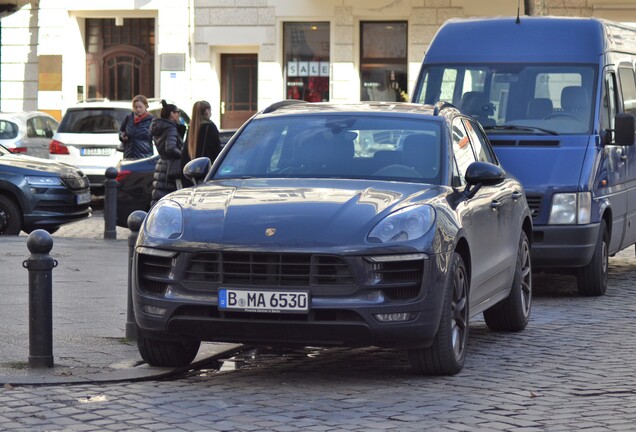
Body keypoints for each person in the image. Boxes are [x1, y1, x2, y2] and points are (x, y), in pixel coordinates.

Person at [149, 100, 184, 207]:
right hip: (171, 167)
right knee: (172, 201)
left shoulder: (158, 125)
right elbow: (171, 148)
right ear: (172, 114)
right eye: (177, 112)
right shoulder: (171, 127)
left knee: (159, 198)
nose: (179, 115)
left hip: (161, 165)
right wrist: (183, 155)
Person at [180, 100, 221, 187]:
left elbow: (184, 156)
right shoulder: (210, 127)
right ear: (207, 111)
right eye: (210, 110)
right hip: (206, 177)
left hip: (190, 178)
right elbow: (217, 152)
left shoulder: (192, 128)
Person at [118, 95, 154, 159]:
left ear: (145, 106)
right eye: (136, 107)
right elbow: (121, 131)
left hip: (144, 156)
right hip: (129, 155)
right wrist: (122, 136)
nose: (138, 109)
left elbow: (156, 137)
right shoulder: (129, 118)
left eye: (140, 107)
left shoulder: (151, 120)